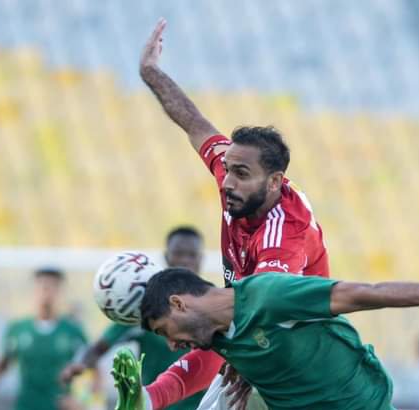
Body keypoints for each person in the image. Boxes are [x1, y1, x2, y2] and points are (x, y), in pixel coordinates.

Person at [137, 18, 330, 410]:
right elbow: (194, 124)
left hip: (291, 352)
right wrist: (151, 72)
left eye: (241, 174)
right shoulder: (237, 176)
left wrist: (240, 361)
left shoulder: (284, 234)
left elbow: (261, 315)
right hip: (251, 325)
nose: (226, 182)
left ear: (275, 182)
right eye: (229, 169)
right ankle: (147, 400)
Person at [112, 269, 419, 410]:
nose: (172, 345)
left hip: (362, 404)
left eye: (166, 331)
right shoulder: (212, 338)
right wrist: (147, 399)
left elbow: (367, 292)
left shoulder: (268, 297)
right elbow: (189, 371)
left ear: (179, 303)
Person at [61, 226, 207, 409]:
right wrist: (81, 363)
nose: (185, 261)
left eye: (192, 255)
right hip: (155, 404)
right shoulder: (144, 307)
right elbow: (100, 347)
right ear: (166, 257)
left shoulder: (212, 309)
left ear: (201, 259)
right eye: (179, 253)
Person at [0, 268, 89, 410]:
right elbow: (3, 364)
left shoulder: (73, 331)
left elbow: (93, 371)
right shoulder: (17, 329)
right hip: (26, 405)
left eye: (53, 286)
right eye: (42, 285)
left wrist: (82, 402)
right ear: (34, 290)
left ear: (60, 292)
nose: (47, 291)